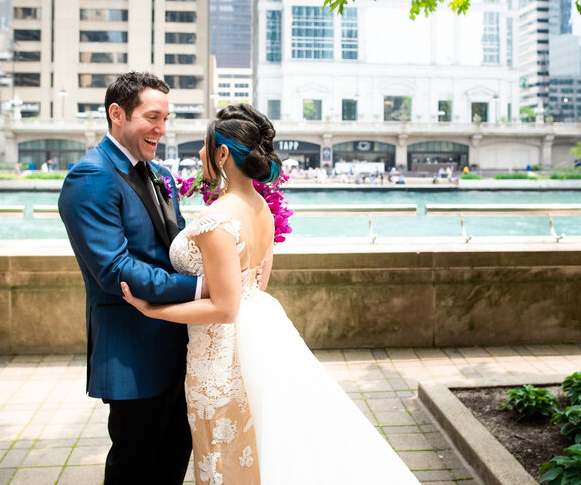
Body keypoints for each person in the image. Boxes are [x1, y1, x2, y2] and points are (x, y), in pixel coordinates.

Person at [120, 104, 420, 485]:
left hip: (219, 355)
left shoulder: (215, 219)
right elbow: (257, 285)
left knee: (221, 456)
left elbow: (225, 308)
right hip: (255, 336)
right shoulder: (263, 208)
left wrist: (153, 310)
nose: (199, 154)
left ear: (223, 155)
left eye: (205, 146)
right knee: (251, 451)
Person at [58, 71, 200, 484]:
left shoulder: (161, 175)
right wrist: (204, 288)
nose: (161, 129)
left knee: (173, 460)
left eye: (166, 119)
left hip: (181, 345)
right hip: (133, 351)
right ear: (116, 114)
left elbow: (179, 250)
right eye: (152, 117)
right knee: (134, 468)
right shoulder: (91, 176)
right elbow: (114, 270)